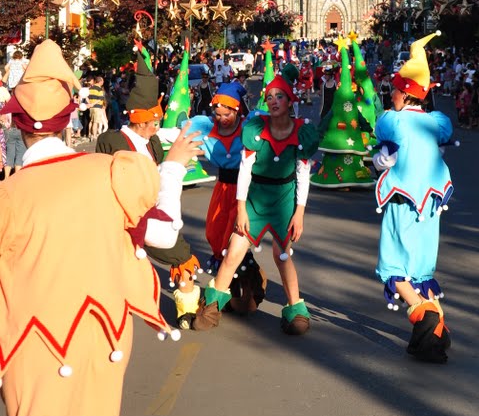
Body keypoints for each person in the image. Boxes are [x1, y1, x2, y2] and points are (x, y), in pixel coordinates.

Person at [0, 39, 201, 416]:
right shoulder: (112, 172)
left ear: (18, 125)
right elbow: (163, 233)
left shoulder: (9, 195)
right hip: (100, 334)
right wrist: (173, 169)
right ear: (69, 118)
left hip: (30, 342)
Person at [193, 69, 319, 334]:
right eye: (270, 96)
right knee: (233, 252)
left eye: (279, 96)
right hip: (255, 198)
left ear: (290, 101)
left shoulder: (300, 133)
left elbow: (302, 176)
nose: (273, 101)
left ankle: (295, 308)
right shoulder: (255, 131)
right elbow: (245, 172)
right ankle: (212, 306)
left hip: (284, 200)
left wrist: (299, 213)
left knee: (282, 255)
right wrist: (240, 209)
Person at [96, 44, 204, 329]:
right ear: (142, 120)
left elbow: (172, 135)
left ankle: (187, 309)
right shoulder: (112, 140)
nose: (158, 125)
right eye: (154, 120)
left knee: (180, 254)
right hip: (124, 215)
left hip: (154, 211)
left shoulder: (154, 140)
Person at [373, 32, 453, 364]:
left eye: (394, 89)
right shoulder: (436, 122)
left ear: (406, 93)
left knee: (392, 265)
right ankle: (435, 333)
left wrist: (377, 161)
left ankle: (423, 314)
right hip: (433, 202)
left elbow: (386, 159)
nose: (390, 95)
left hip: (402, 198)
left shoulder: (393, 120)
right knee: (421, 268)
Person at [188, 81, 267, 316]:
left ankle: (244, 282)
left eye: (227, 114)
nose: (222, 118)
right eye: (218, 114)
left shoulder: (247, 128)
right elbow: (181, 135)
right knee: (215, 234)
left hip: (244, 190)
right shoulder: (208, 129)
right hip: (222, 188)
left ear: (236, 111)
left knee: (233, 240)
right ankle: (238, 280)